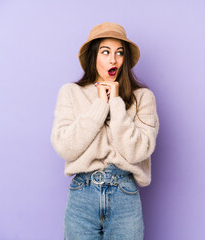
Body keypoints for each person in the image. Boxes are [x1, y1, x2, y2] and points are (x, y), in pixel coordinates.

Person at [50, 22, 159, 239]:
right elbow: (65, 147)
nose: (113, 60)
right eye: (105, 52)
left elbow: (137, 152)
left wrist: (116, 102)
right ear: (94, 57)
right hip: (83, 194)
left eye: (119, 53)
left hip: (124, 194)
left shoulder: (143, 97)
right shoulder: (71, 93)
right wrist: (100, 105)